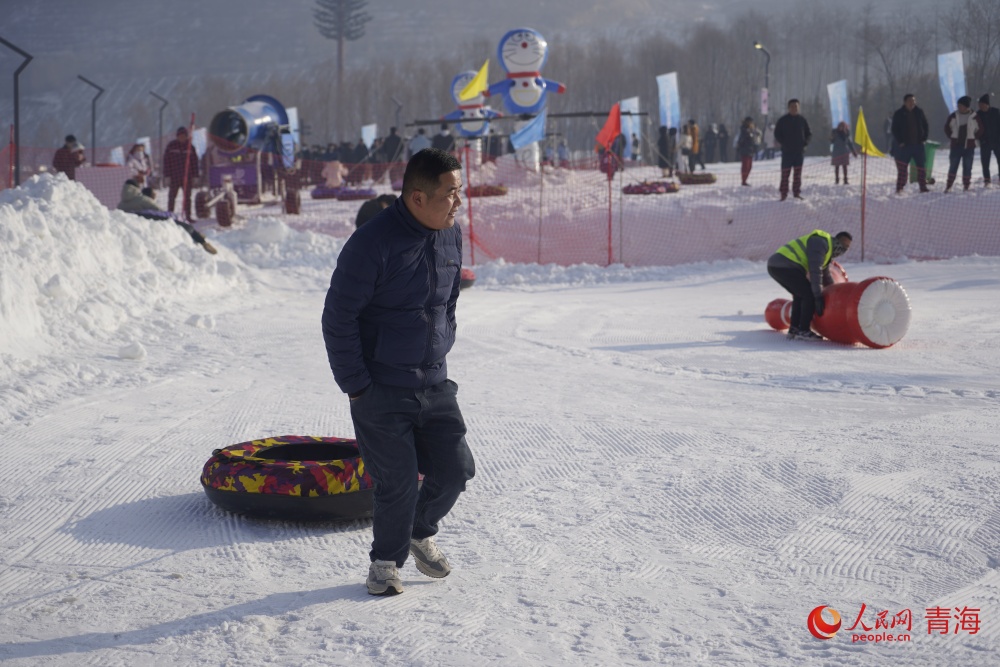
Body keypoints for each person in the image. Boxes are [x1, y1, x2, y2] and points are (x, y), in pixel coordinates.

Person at [322, 148, 476, 596]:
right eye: (450, 194)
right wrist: (356, 387)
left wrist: (444, 339)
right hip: (381, 387)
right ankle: (385, 563)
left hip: (434, 380)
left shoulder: (451, 233)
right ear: (417, 198)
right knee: (398, 482)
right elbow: (338, 318)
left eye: (458, 191)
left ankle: (419, 529)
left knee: (456, 471)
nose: (458, 202)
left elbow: (447, 300)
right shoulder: (371, 244)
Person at [767, 230, 853, 341]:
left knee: (800, 295)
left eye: (847, 247)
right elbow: (815, 271)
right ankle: (803, 330)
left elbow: (826, 276)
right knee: (809, 294)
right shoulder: (821, 243)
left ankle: (794, 329)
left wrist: (834, 293)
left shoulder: (827, 253)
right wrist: (817, 296)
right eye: (843, 244)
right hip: (785, 265)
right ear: (836, 240)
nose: (843, 249)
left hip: (778, 265)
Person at [116, 179, 217, 254]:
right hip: (151, 220)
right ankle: (202, 241)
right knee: (186, 226)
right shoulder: (143, 200)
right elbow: (160, 212)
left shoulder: (120, 204)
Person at [890, 94, 930, 194]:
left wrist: (924, 138)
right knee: (903, 168)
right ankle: (900, 187)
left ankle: (923, 186)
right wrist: (900, 141)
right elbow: (894, 129)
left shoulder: (919, 112)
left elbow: (925, 125)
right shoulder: (899, 113)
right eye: (910, 101)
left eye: (913, 101)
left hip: (918, 145)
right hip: (905, 146)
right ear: (905, 102)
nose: (912, 103)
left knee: (921, 167)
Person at [773, 99, 812, 200]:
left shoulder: (802, 120)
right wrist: (784, 142)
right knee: (785, 174)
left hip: (799, 152)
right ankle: (783, 194)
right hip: (787, 152)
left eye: (796, 106)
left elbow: (809, 134)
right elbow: (777, 134)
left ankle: (796, 193)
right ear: (788, 108)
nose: (794, 108)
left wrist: (805, 143)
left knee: (797, 174)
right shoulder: (783, 120)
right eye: (792, 106)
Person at [943, 96, 984, 192]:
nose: (959, 107)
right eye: (958, 105)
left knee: (967, 167)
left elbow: (980, 129)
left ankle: (966, 185)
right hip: (955, 146)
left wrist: (973, 138)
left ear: (966, 106)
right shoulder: (953, 116)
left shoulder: (974, 116)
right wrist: (952, 137)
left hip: (969, 147)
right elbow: (947, 128)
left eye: (961, 105)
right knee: (953, 166)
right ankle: (949, 185)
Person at [163, 127, 199, 221]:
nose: (182, 138)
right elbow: (166, 161)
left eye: (183, 136)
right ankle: (170, 214)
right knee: (172, 196)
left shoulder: (190, 147)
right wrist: (167, 175)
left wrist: (195, 176)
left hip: (187, 177)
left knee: (187, 197)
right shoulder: (171, 146)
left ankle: (188, 215)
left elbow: (195, 162)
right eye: (180, 136)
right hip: (174, 176)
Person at [976, 94, 1000, 186]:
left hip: (997, 142)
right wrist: (980, 139)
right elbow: (976, 129)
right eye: (979, 104)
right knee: (985, 163)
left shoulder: (996, 112)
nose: (980, 106)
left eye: (982, 104)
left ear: (987, 104)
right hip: (985, 142)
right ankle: (987, 180)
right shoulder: (978, 114)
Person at [736, 117, 759, 186]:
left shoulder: (751, 130)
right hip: (745, 150)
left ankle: (745, 180)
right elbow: (742, 140)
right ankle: (743, 180)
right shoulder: (744, 130)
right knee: (745, 166)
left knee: (749, 166)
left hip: (750, 150)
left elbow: (754, 139)